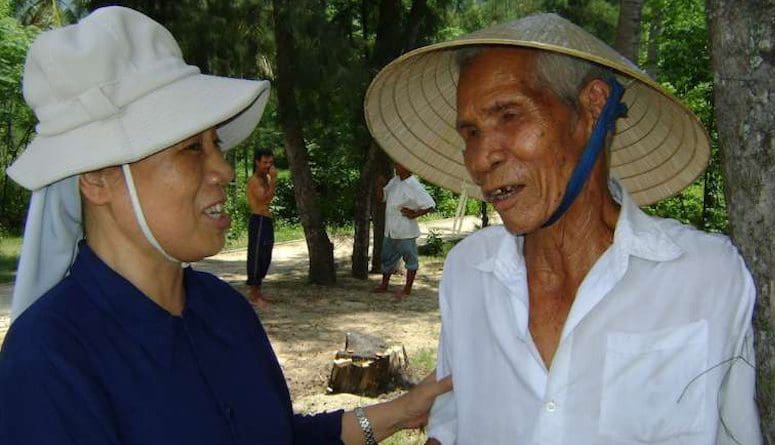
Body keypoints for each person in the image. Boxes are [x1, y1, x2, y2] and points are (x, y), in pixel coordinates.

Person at [0, 7, 451, 445]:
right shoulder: (49, 359)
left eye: (214, 143)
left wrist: (403, 410)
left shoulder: (223, 310)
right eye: (192, 149)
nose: (225, 170)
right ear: (97, 177)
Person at [364, 13, 760, 445]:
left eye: (509, 115)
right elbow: (451, 427)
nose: (479, 160)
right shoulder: (469, 273)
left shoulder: (705, 277)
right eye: (471, 132)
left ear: (593, 106)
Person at [372, 163, 435, 300]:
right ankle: (384, 285)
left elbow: (430, 205)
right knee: (387, 258)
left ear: (407, 168)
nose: (395, 167)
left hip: (406, 231)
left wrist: (415, 214)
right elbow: (381, 198)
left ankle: (407, 288)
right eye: (395, 165)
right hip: (391, 229)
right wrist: (379, 185)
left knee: (410, 259)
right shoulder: (395, 181)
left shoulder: (414, 185)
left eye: (399, 166)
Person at [246, 149, 278, 305]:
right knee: (257, 255)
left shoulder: (265, 178)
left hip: (265, 220)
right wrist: (274, 180)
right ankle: (253, 293)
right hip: (258, 220)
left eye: (270, 163)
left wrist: (270, 180)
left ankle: (258, 291)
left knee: (265, 255)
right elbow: (264, 198)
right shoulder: (255, 181)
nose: (268, 166)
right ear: (257, 162)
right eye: (265, 162)